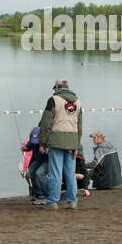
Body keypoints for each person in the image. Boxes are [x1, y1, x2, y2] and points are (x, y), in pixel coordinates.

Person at [39, 79, 82, 210]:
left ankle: (52, 201)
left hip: (56, 140)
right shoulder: (78, 101)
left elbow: (46, 123)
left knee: (55, 173)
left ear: (57, 88)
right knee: (70, 173)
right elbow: (79, 125)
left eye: (54, 89)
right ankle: (72, 201)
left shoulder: (53, 100)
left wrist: (43, 143)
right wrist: (76, 144)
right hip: (72, 141)